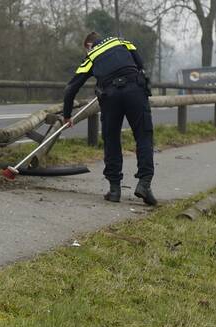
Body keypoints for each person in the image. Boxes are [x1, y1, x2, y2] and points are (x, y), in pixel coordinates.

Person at [63, 31, 157, 205]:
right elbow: (141, 64)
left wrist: (67, 115)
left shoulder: (91, 56)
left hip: (110, 95)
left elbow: (71, 88)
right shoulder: (123, 42)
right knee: (144, 136)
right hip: (135, 90)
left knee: (111, 139)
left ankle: (114, 190)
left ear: (88, 46)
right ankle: (144, 184)